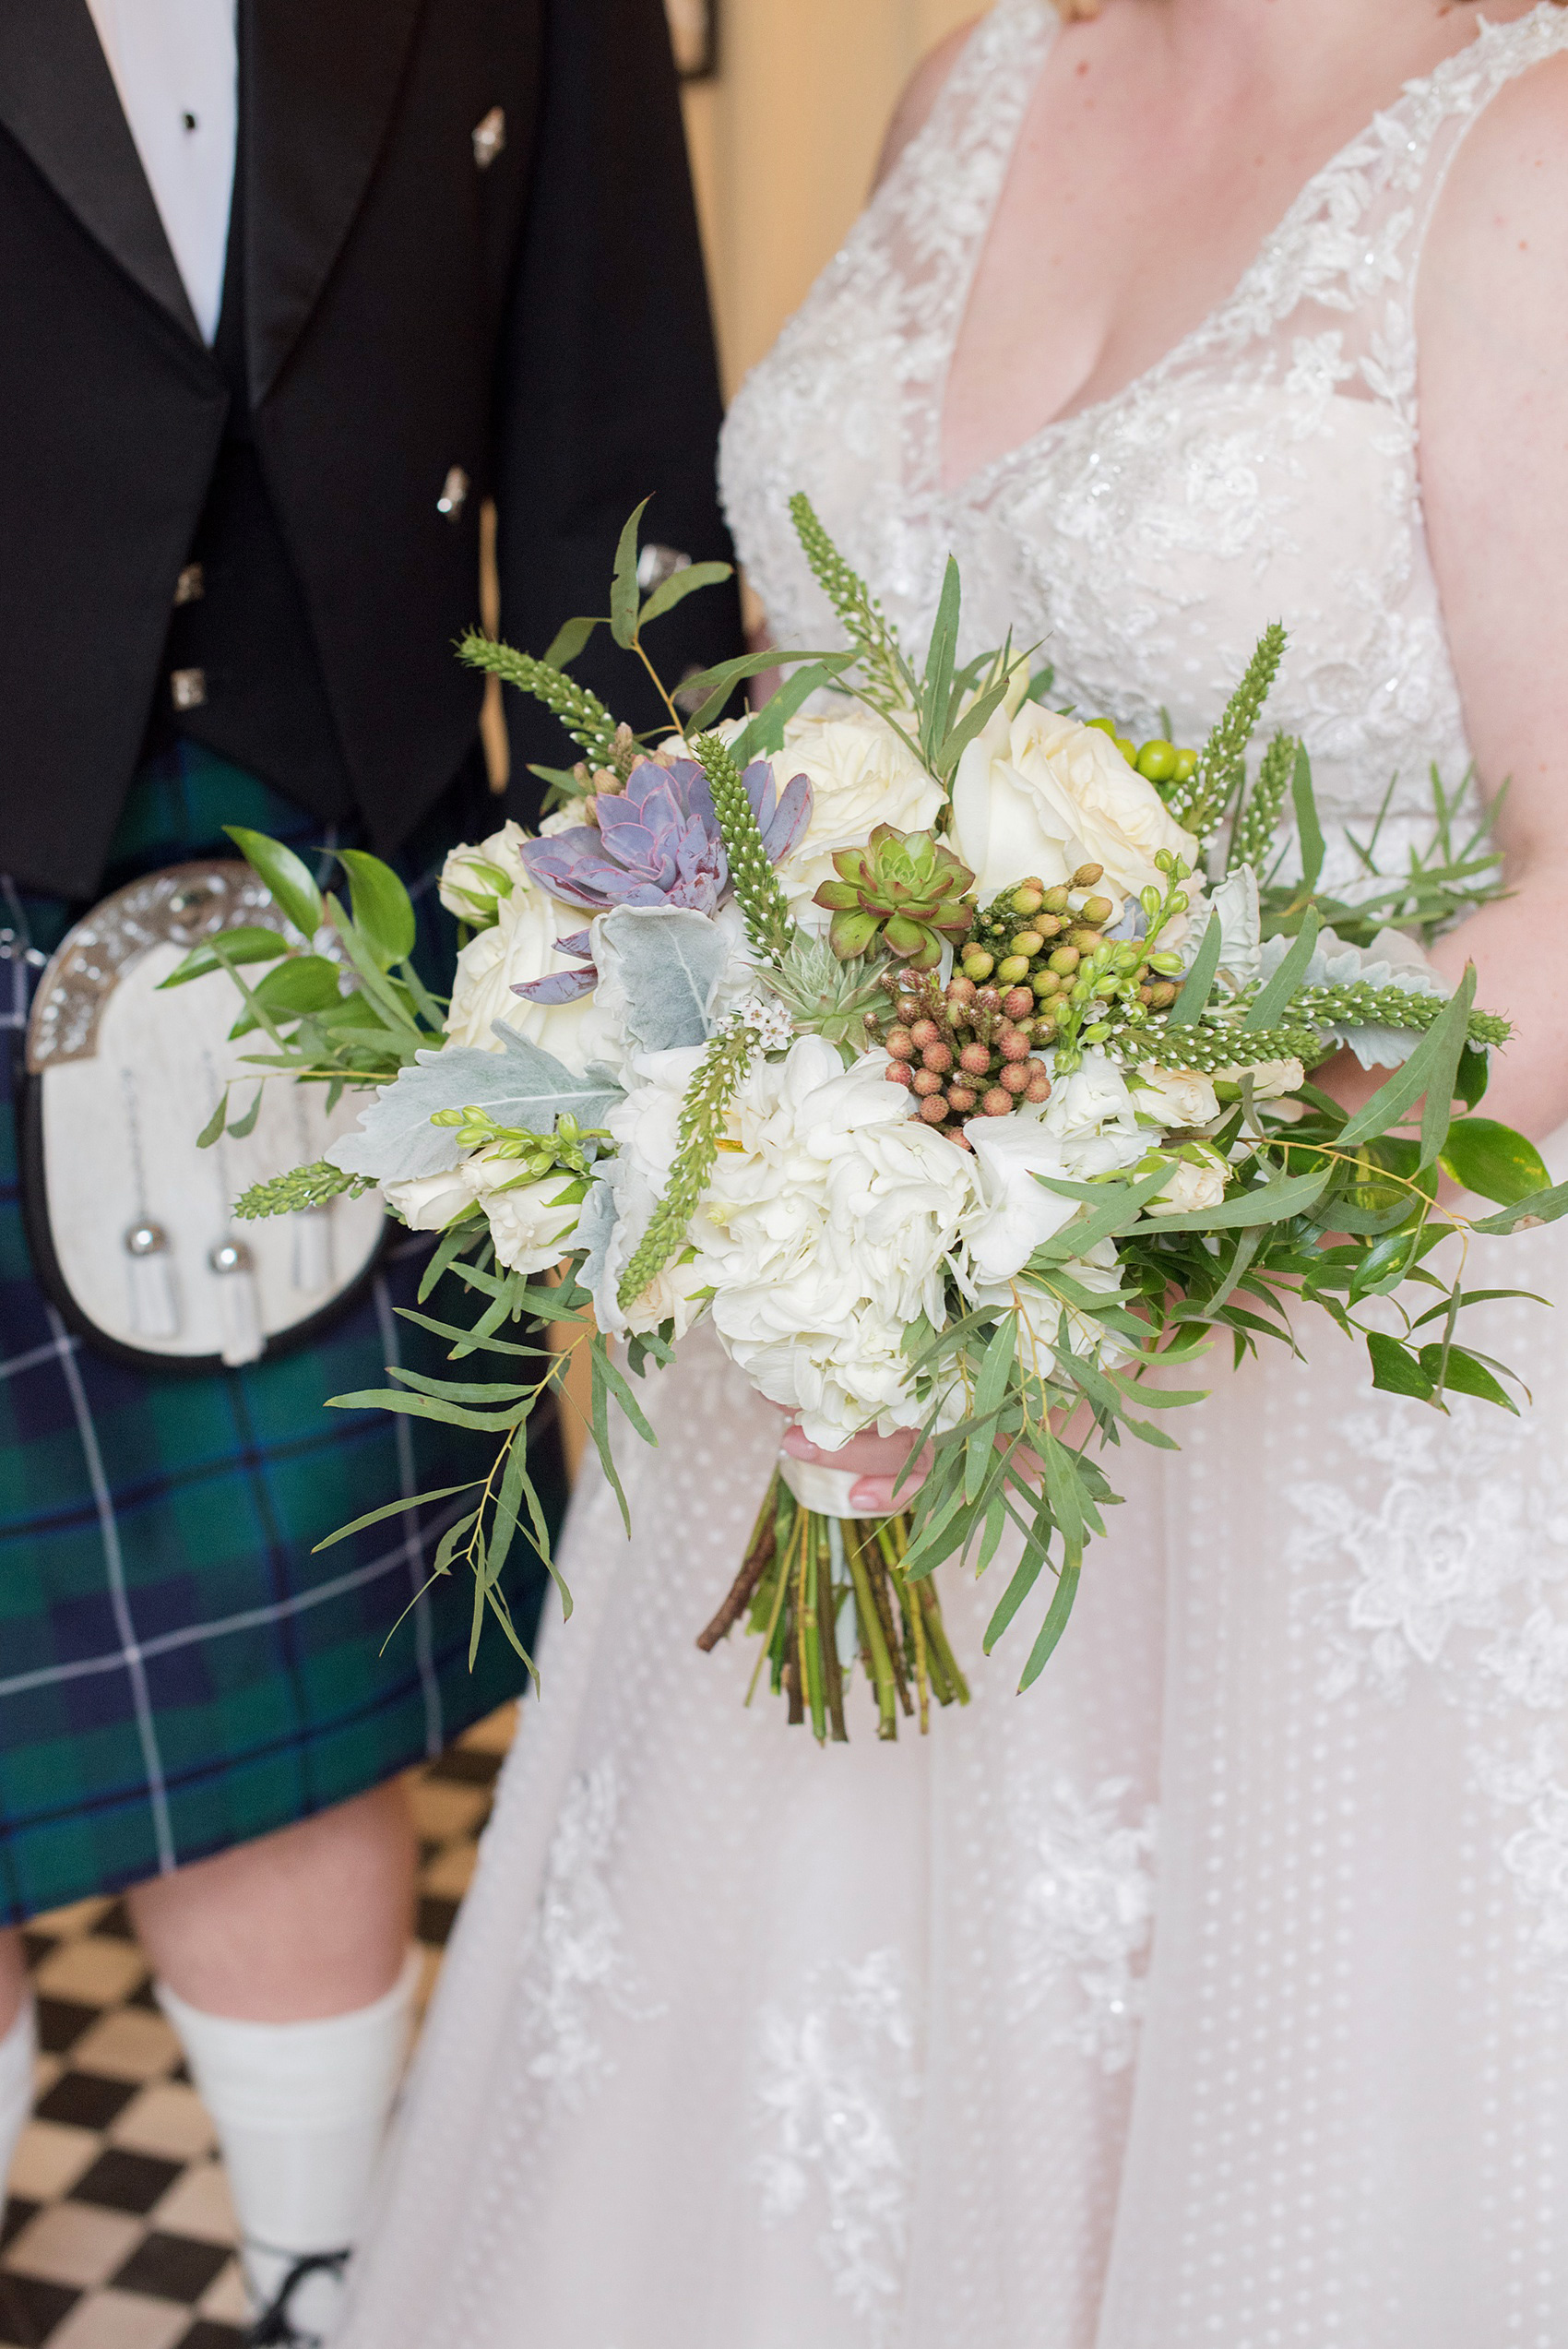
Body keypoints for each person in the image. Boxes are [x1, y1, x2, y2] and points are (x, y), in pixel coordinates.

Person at [337, 2, 1568, 2342]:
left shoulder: (1524, 152)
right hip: (823, 1417)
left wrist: (1084, 1192)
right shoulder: (970, 75)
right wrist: (720, 1059)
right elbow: (812, 726)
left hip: (1293, 1449)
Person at [0, 2, 737, 2341]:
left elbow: (622, 445)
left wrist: (668, 998)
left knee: (301, 1689)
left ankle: (336, 2276)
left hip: (357, 879)